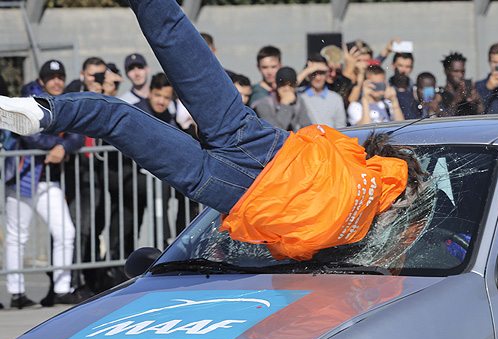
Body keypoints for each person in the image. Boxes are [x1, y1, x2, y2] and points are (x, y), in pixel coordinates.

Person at [0, 0, 422, 262]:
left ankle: (42, 110)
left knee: (174, 34)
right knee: (118, 121)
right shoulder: (356, 234)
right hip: (232, 193)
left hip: (265, 147)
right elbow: (286, 248)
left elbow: (325, 137)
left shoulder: (375, 169)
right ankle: (43, 113)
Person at [3, 59, 83, 308]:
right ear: (41, 81)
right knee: (17, 237)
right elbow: (31, 134)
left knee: (65, 232)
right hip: (22, 178)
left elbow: (78, 135)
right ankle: (17, 294)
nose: (57, 81)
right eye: (51, 77)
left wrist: (64, 145)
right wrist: (59, 145)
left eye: (60, 76)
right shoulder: (29, 99)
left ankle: (61, 288)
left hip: (49, 180)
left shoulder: (67, 100)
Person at [252, 67, 312, 131]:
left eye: (291, 85)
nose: (287, 88)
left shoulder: (298, 101)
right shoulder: (264, 104)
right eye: (283, 84)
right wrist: (285, 104)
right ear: (276, 85)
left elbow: (307, 127)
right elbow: (274, 131)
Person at [299, 54, 347, 128]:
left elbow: (341, 128)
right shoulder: (299, 95)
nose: (318, 77)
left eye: (321, 73)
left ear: (327, 73)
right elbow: (288, 87)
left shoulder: (336, 98)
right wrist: (307, 71)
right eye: (314, 73)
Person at [439, 51, 484, 116]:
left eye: (462, 71)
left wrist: (479, 103)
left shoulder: (468, 95)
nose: (460, 75)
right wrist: (455, 102)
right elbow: (442, 120)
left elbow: (481, 116)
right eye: (456, 71)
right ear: (446, 71)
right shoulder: (440, 95)